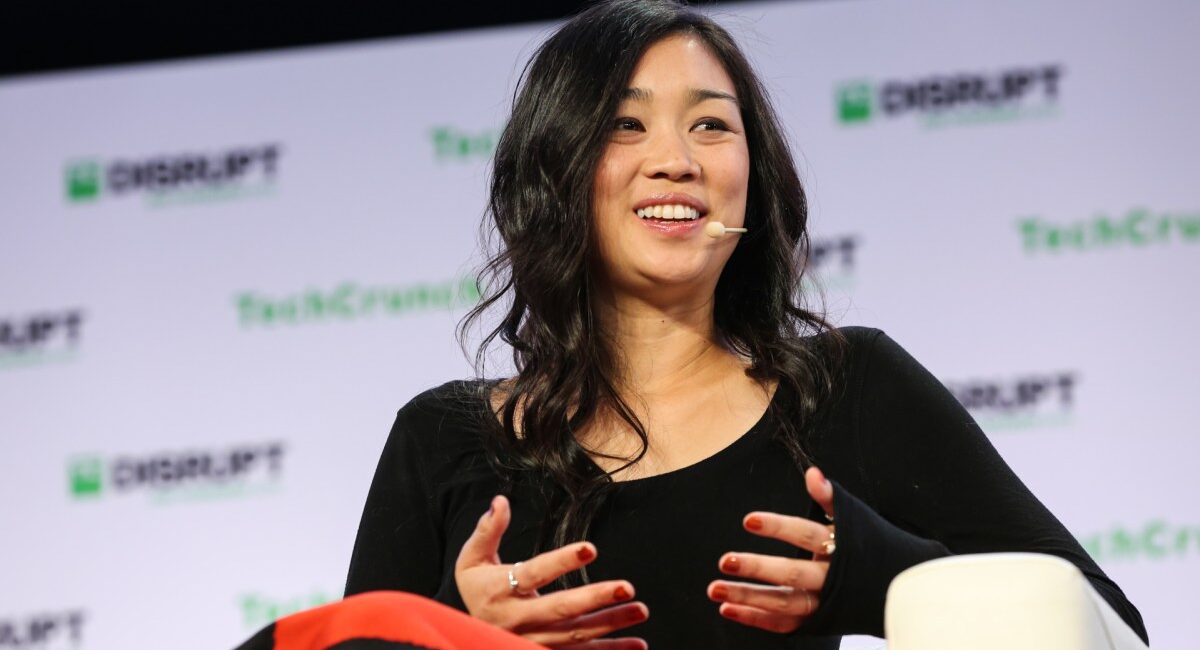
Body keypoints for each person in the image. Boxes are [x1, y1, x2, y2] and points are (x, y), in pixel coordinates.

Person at [344, 1, 1148, 648]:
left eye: (712, 126)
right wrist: (450, 635)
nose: (677, 160)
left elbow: (1106, 623)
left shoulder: (847, 389)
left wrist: (885, 578)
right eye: (626, 124)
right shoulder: (440, 439)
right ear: (554, 169)